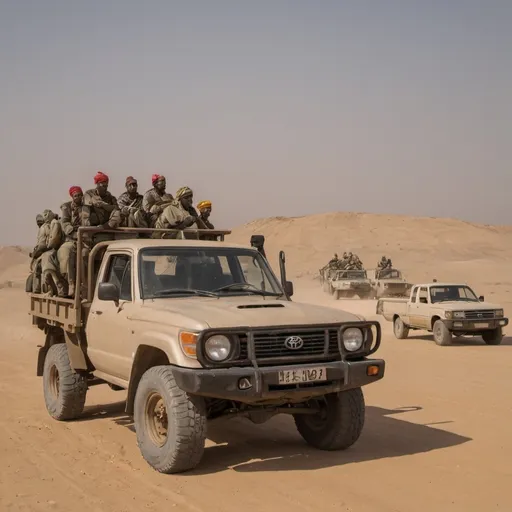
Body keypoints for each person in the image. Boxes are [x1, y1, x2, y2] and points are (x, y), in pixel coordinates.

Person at [58, 186, 85, 297]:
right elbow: (65, 223)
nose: (78, 197)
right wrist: (73, 232)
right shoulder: (67, 208)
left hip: (86, 237)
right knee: (67, 253)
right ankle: (71, 283)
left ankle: (85, 285)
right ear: (72, 197)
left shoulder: (87, 207)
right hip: (71, 237)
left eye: (79, 195)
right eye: (75, 195)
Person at [32, 209, 66, 296]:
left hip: (52, 250)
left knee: (42, 264)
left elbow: (51, 241)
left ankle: (42, 288)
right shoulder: (49, 225)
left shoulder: (53, 224)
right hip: (51, 249)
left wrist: (38, 252)